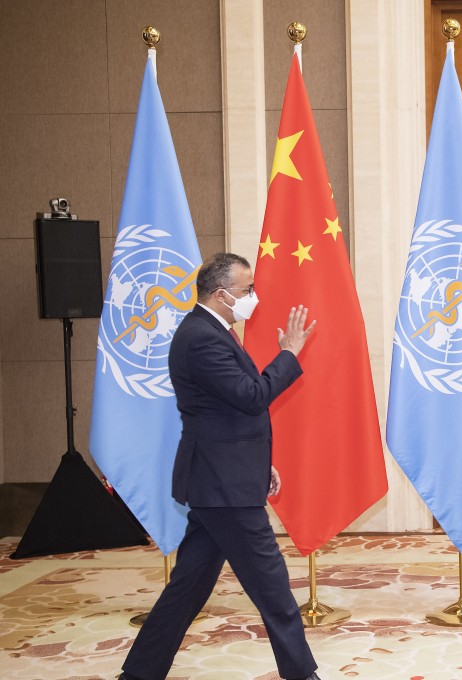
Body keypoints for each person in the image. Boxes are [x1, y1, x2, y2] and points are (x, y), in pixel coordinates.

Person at [119, 252, 321, 680]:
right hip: (224, 487)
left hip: (222, 479)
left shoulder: (213, 331)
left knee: (186, 591)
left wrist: (260, 464)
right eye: (247, 290)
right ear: (220, 294)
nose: (253, 297)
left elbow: (230, 412)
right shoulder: (201, 337)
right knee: (273, 589)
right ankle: (302, 674)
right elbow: (251, 396)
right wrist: (289, 353)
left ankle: (138, 673)